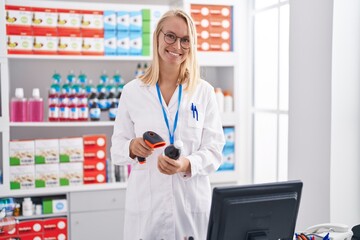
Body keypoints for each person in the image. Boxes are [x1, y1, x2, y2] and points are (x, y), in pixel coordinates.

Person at [111, 8, 225, 240]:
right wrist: (132, 147)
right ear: (158, 37)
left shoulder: (203, 92)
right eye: (170, 36)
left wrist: (186, 164)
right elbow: (116, 149)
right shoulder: (132, 91)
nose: (177, 46)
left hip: (190, 208)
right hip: (146, 209)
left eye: (185, 40)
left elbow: (214, 151)